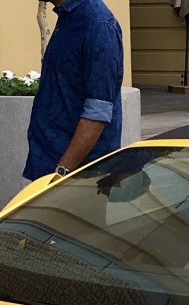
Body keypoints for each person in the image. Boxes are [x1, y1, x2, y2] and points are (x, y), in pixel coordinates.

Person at [24, 0, 124, 182]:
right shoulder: (70, 18)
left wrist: (62, 171)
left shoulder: (97, 25)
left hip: (80, 176)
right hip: (52, 164)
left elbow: (98, 111)